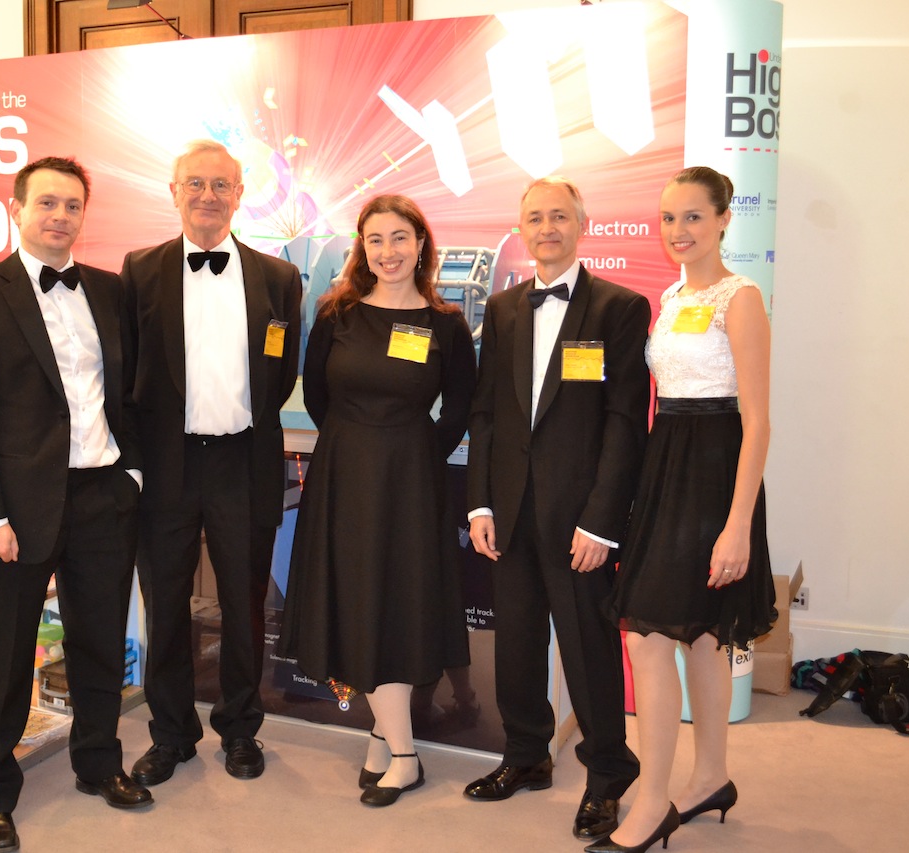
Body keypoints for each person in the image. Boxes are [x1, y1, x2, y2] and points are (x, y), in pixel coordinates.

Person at [0, 156, 151, 853]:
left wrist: (135, 474)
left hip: (101, 494)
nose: (60, 216)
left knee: (97, 642)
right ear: (17, 208)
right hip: (19, 507)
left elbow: (133, 391)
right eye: (47, 203)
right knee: (1, 654)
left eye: (72, 206)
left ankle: (98, 764)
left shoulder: (110, 290)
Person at [591, 167, 776, 853]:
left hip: (716, 469)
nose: (679, 231)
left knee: (647, 635)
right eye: (669, 218)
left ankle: (653, 799)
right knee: (695, 633)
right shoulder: (670, 296)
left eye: (694, 217)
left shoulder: (742, 296)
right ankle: (712, 776)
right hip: (666, 459)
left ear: (725, 218)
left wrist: (737, 525)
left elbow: (758, 423)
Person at [465, 177, 650, 841]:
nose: (547, 227)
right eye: (535, 216)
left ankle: (607, 773)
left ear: (583, 225)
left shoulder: (619, 308)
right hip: (509, 511)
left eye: (560, 216)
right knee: (516, 642)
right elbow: (486, 413)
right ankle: (525, 755)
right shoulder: (507, 307)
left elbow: (627, 421)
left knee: (587, 647)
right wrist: (479, 501)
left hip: (580, 522)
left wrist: (603, 519)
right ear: (521, 225)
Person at [281, 194, 477, 806]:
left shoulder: (445, 324)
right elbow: (317, 396)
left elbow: (462, 410)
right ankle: (387, 740)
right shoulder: (337, 313)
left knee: (392, 605)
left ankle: (404, 754)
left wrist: (411, 446)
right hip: (343, 473)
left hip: (409, 483)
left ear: (421, 244)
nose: (387, 252)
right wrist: (356, 442)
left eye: (399, 238)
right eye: (375, 240)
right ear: (360, 248)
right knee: (356, 602)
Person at [122, 140, 302, 785]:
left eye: (220, 185)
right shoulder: (139, 271)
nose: (207, 195)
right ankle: (170, 734)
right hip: (167, 466)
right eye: (194, 183)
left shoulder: (279, 279)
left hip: (243, 462)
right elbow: (128, 376)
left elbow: (280, 375)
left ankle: (240, 729)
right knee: (165, 603)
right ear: (174, 192)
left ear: (239, 192)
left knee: (244, 604)